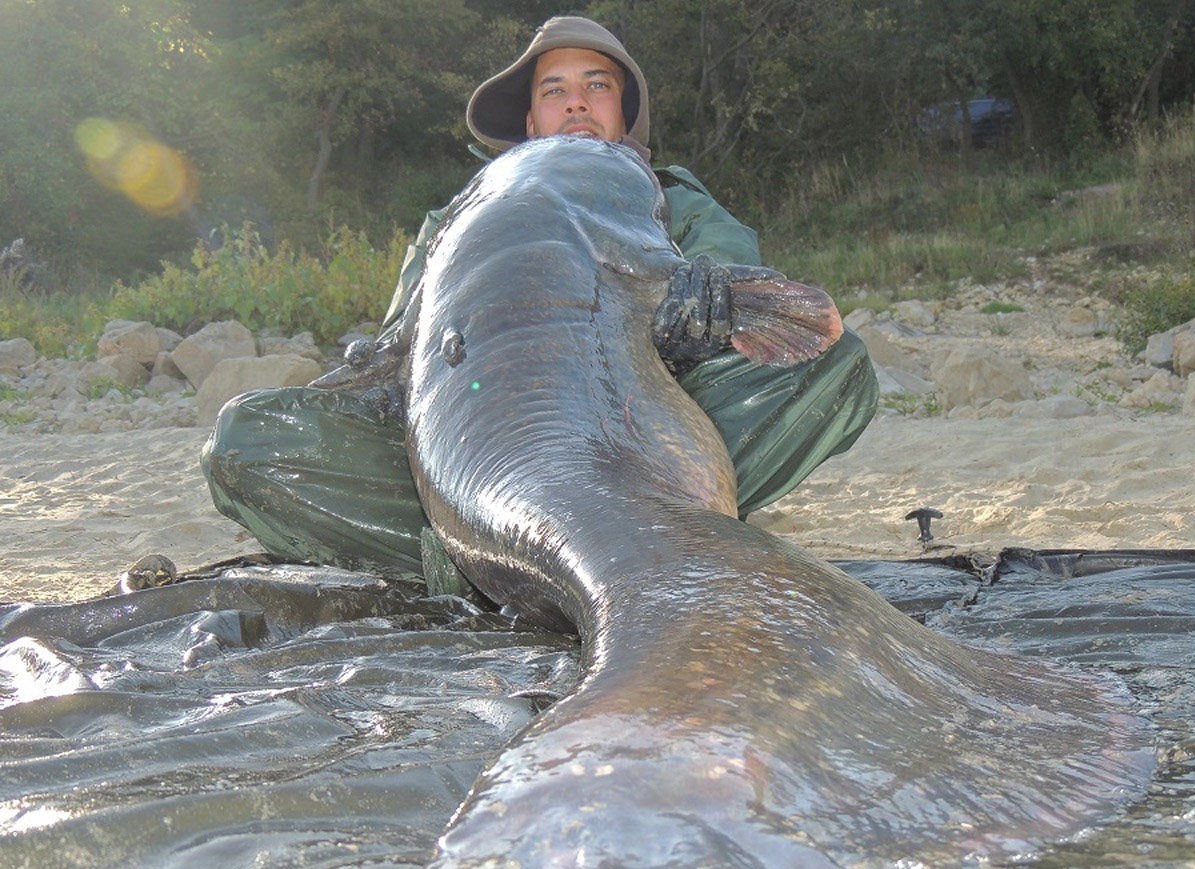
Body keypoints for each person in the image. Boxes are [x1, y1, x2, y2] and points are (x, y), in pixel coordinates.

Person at [201, 15, 878, 593]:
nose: (576, 104)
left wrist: (702, 319)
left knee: (834, 366)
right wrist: (375, 371)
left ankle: (538, 546)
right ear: (530, 121)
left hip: (642, 431)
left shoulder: (679, 199)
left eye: (597, 87)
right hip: (478, 442)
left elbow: (775, 306)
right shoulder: (455, 221)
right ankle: (507, 546)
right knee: (244, 443)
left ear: (625, 113)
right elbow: (412, 365)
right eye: (555, 91)